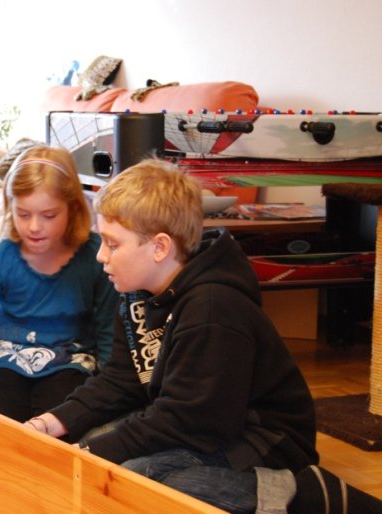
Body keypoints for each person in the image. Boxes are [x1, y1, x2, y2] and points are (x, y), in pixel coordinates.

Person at [24, 159, 321, 513]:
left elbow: (192, 422)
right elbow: (121, 381)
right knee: (99, 451)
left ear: (160, 248)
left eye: (113, 244)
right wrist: (49, 423)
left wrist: (90, 455)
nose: (101, 256)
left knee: (143, 482)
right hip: (200, 426)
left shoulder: (213, 309)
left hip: (264, 442)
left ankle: (304, 497)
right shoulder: (135, 292)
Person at [0, 145, 118, 424]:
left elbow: (109, 330)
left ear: (73, 208)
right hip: (3, 360)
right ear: (9, 206)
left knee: (61, 424)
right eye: (23, 214)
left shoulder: (96, 256)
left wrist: (112, 398)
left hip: (71, 362)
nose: (34, 227)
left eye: (49, 216)